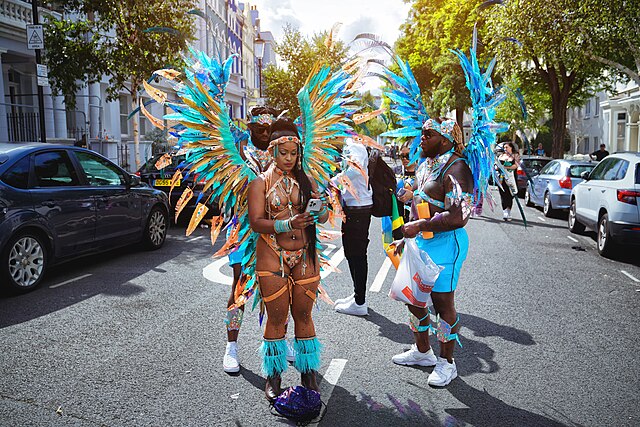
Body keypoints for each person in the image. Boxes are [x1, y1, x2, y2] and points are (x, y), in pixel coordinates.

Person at [247, 119, 329, 401]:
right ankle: (274, 375)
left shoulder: (308, 181)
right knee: (278, 318)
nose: (289, 158)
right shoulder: (259, 183)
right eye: (284, 153)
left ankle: (308, 372)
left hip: (305, 255)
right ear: (272, 151)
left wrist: (321, 212)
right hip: (272, 255)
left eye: (294, 153)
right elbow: (256, 222)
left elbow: (325, 216)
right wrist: (288, 223)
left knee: (304, 315)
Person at [392, 117, 472, 387]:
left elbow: (460, 215)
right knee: (413, 298)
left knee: (441, 304)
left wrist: (420, 225)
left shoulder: (457, 168)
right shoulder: (427, 164)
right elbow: (421, 198)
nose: (422, 138)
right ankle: (423, 351)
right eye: (422, 134)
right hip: (422, 242)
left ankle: (447, 363)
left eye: (428, 134)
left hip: (447, 243)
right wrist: (409, 203)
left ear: (446, 139)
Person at [223, 106, 283, 374]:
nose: (266, 133)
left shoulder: (279, 157)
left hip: (273, 230)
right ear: (250, 130)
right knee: (240, 287)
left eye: (269, 129)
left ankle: (278, 340)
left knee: (279, 287)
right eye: (260, 129)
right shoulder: (238, 155)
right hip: (242, 231)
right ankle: (231, 347)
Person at [331, 138, 373, 316]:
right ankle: (357, 296)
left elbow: (355, 170)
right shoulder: (350, 146)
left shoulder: (353, 145)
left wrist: (335, 180)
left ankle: (360, 302)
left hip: (358, 209)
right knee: (351, 253)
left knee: (356, 255)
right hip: (354, 208)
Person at [393, 143, 417, 229]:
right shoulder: (395, 171)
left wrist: (412, 195)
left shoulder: (422, 172)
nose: (404, 159)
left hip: (416, 218)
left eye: (408, 155)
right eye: (402, 156)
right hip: (398, 218)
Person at [497, 142, 519, 221]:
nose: (505, 149)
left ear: (511, 148)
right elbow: (496, 166)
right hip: (501, 178)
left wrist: (505, 167)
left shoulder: (515, 156)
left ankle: (509, 210)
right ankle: (505, 211)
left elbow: (515, 166)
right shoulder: (501, 156)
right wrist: (498, 167)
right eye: (504, 147)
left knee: (510, 195)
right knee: (503, 194)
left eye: (507, 147)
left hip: (511, 178)